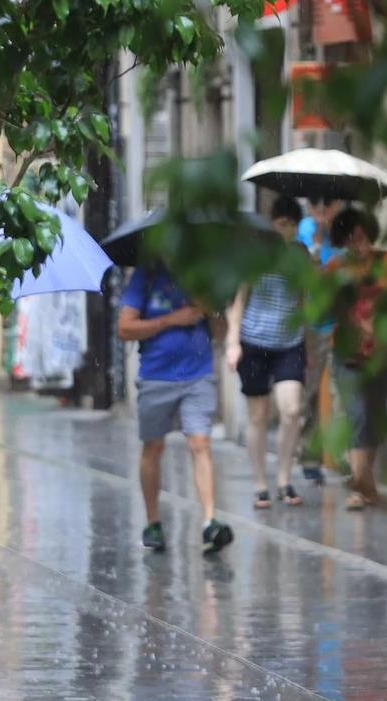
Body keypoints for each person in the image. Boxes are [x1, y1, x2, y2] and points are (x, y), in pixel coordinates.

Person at [119, 262, 233, 554]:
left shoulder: (201, 278)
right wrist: (171, 320)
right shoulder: (145, 278)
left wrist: (210, 308)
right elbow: (124, 328)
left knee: (200, 443)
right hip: (156, 376)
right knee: (153, 447)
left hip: (198, 374)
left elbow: (220, 332)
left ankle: (209, 521)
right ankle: (153, 521)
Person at [225, 201, 311, 508]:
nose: (284, 228)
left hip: (290, 342)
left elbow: (304, 303)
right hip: (254, 341)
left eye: (291, 223)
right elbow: (238, 303)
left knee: (291, 411)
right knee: (258, 415)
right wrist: (233, 343)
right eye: (280, 222)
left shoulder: (301, 256)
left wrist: (309, 347)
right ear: (270, 223)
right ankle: (261, 482)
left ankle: (285, 478)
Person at [325, 207, 387, 510]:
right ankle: (360, 487)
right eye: (353, 239)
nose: (360, 245)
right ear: (342, 241)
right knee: (357, 417)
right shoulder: (335, 268)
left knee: (375, 421)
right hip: (348, 356)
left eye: (364, 237)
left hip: (381, 354)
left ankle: (365, 482)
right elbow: (325, 309)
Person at [292, 196, 342, 484]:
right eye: (316, 204)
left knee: (341, 393)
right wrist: (315, 249)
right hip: (312, 325)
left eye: (328, 204)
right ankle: (310, 458)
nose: (322, 210)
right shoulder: (303, 231)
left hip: (341, 323)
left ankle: (344, 458)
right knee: (309, 393)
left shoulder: (344, 233)